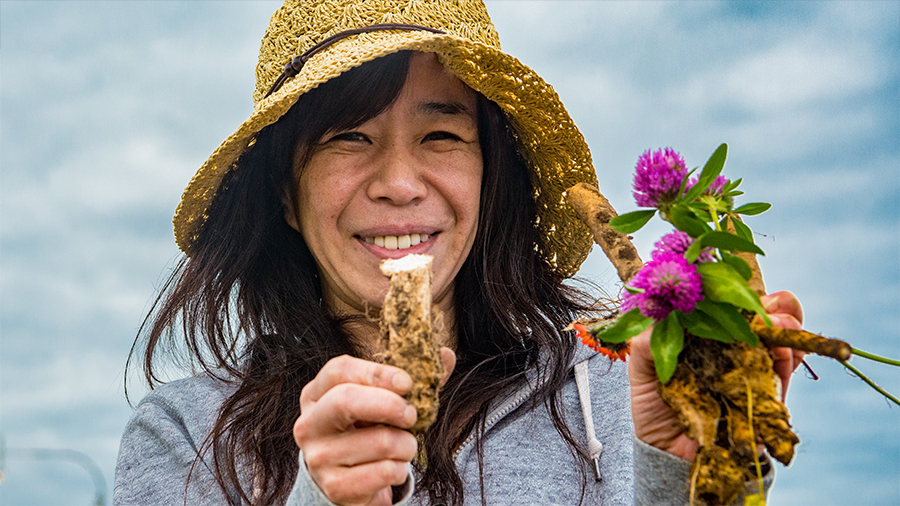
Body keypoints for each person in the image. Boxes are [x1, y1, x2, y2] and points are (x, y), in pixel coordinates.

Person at [114, 1, 805, 505]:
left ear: (490, 180)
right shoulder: (186, 437)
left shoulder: (620, 390)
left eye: (441, 136)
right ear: (286, 198)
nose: (398, 184)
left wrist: (691, 475)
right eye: (347, 138)